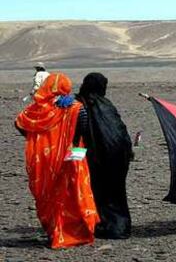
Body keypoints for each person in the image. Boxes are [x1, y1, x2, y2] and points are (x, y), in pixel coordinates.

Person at [15, 73, 100, 249]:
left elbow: (19, 123)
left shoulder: (36, 110)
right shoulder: (76, 107)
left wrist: (37, 138)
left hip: (44, 160)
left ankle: (54, 232)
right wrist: (76, 153)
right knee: (72, 193)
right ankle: (76, 232)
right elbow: (82, 131)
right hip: (72, 156)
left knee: (50, 195)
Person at [76, 72, 133, 239]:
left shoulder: (82, 105)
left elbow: (80, 130)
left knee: (98, 191)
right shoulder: (107, 105)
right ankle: (120, 226)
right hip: (118, 156)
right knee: (116, 193)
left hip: (98, 157)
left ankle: (103, 225)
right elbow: (120, 130)